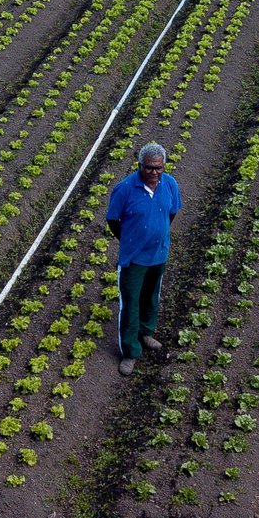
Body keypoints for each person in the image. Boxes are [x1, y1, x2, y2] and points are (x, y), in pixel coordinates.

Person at [105, 142, 180, 376]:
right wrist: (130, 240)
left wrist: (158, 236)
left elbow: (172, 212)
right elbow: (112, 220)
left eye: (158, 168)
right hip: (134, 259)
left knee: (151, 297)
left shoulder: (169, 184)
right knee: (130, 304)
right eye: (149, 167)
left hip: (158, 255)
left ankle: (146, 332)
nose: (154, 172)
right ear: (140, 166)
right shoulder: (125, 189)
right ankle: (130, 351)